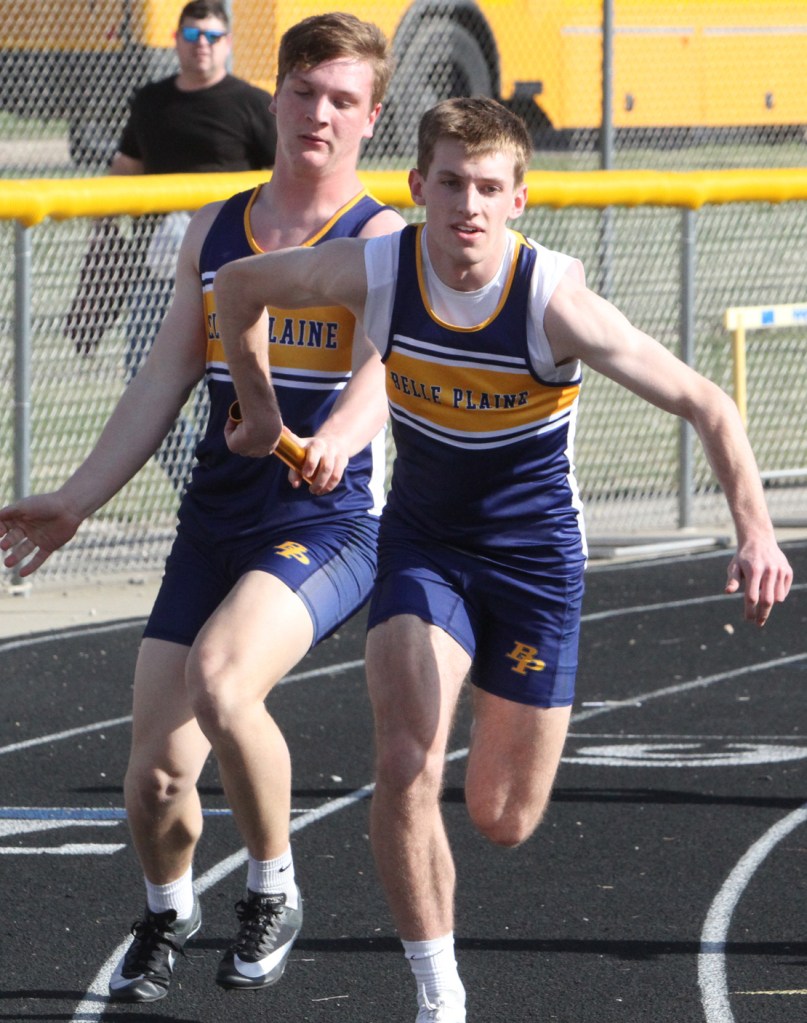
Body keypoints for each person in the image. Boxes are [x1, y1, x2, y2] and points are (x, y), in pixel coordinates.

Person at [209, 97, 794, 1023]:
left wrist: (754, 531)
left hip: (533, 565)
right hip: (424, 547)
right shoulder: (379, 268)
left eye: (488, 188)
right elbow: (240, 285)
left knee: (501, 815)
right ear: (418, 187)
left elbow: (706, 403)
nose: (468, 207)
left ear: (518, 198)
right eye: (450, 184)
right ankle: (438, 995)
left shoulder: (550, 300)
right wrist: (265, 412)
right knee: (406, 758)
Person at [0, 12, 403, 1005]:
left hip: (323, 525)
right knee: (155, 781)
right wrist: (76, 500)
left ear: (371, 118)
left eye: (342, 100)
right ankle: (168, 909)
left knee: (224, 682)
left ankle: (272, 887)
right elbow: (162, 379)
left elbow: (381, 376)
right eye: (303, 92)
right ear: (277, 97)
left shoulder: (381, 241)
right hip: (213, 524)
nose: (318, 114)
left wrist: (334, 441)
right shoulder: (216, 229)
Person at [66, 0, 278, 492]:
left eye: (212, 37)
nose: (202, 46)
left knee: (225, 389)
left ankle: (228, 485)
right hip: (160, 268)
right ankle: (195, 484)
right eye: (192, 36)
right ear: (176, 41)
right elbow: (125, 169)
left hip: (232, 273)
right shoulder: (151, 101)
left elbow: (280, 180)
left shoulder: (251, 102)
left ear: (227, 43)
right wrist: (102, 230)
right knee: (143, 378)